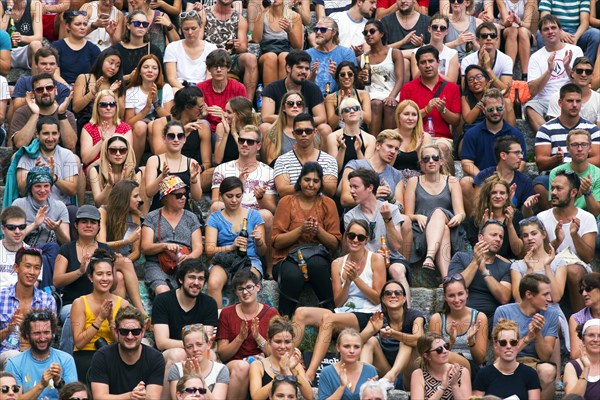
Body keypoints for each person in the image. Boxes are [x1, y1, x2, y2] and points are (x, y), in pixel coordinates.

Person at [294, 219, 385, 381]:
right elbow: (338, 303)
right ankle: (286, 359)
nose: (355, 240)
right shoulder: (337, 263)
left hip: (368, 313)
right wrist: (348, 282)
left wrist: (356, 278)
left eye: (360, 237)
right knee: (301, 312)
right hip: (344, 311)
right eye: (351, 236)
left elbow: (377, 297)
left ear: (367, 240)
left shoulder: (376, 259)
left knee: (329, 318)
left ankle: (310, 373)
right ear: (345, 237)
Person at [54, 205, 144, 352]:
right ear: (76, 225)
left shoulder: (106, 249)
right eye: (84, 221)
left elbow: (113, 285)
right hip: (73, 303)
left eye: (93, 222)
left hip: (102, 301)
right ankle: (67, 357)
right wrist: (80, 271)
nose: (89, 225)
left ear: (98, 227)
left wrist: (113, 270)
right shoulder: (66, 249)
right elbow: (57, 281)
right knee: (72, 314)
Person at [272, 161, 341, 315]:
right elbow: (276, 242)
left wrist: (318, 231)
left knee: (317, 265)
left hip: (317, 255)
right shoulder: (286, 202)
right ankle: (283, 321)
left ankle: (332, 314)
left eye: (316, 181)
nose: (311, 185)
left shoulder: (328, 203)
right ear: (300, 180)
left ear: (321, 183)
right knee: (292, 276)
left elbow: (335, 244)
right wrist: (300, 230)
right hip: (286, 257)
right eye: (307, 180)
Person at [343, 168, 411, 297]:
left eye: (355, 187)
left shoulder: (391, 209)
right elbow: (353, 249)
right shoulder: (350, 216)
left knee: (397, 270)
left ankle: (406, 312)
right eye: (350, 187)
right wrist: (374, 256)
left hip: (392, 259)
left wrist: (387, 219)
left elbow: (396, 246)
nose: (351, 191)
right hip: (365, 261)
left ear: (369, 188)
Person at [537, 170, 597, 313]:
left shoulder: (587, 218)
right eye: (553, 188)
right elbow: (540, 254)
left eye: (559, 189)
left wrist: (574, 235)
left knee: (573, 270)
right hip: (548, 264)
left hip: (577, 266)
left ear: (573, 192)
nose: (553, 192)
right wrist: (557, 241)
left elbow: (588, 257)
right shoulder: (542, 217)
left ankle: (579, 323)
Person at [533, 84, 600, 210]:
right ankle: (554, 217)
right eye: (570, 101)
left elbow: (598, 159)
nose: (574, 105)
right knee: (539, 183)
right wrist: (556, 160)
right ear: (560, 102)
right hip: (556, 174)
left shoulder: (593, 129)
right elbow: (540, 162)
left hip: (584, 172)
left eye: (578, 101)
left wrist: (573, 163)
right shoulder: (546, 129)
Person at [494, 274, 559, 400]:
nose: (550, 299)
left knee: (548, 370)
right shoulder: (504, 312)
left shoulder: (551, 314)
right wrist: (528, 338)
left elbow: (545, 356)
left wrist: (538, 332)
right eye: (545, 294)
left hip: (535, 362)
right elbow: (499, 354)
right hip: (508, 361)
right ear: (529, 294)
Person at [216, 269, 279, 400]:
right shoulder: (227, 313)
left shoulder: (271, 313)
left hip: (263, 362)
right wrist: (240, 337)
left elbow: (275, 353)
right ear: (236, 292)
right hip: (235, 364)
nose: (245, 292)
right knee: (242, 366)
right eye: (240, 289)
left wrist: (257, 337)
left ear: (258, 287)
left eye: (249, 287)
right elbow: (222, 354)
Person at [404, 144, 466, 277]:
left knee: (439, 213)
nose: (431, 161)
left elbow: (461, 212)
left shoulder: (452, 181)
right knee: (443, 229)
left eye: (435, 158)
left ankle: (429, 257)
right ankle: (446, 278)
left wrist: (459, 217)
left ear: (441, 161)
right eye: (426, 159)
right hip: (423, 230)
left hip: (450, 226)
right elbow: (407, 214)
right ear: (421, 164)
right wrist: (416, 217)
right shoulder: (413, 181)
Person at [70, 248, 130, 381]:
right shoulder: (79, 303)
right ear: (91, 277)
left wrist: (111, 322)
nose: (105, 278)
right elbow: (79, 343)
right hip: (86, 354)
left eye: (109, 274)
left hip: (114, 353)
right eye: (100, 274)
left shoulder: (123, 304)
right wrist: (100, 319)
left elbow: (125, 341)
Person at [206, 177, 266, 308]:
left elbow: (262, 252)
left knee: (246, 283)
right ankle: (217, 323)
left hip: (250, 259)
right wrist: (231, 246)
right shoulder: (215, 218)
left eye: (238, 196)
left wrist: (259, 241)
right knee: (213, 283)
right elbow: (209, 250)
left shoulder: (254, 215)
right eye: (229, 196)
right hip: (224, 259)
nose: (234, 200)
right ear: (221, 196)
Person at [399, 45, 461, 173]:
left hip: (441, 138)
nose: (427, 65)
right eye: (423, 62)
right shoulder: (408, 88)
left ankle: (449, 184)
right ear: (417, 65)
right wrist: (426, 110)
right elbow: (401, 119)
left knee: (441, 148)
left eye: (431, 61)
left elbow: (456, 121)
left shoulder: (452, 88)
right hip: (415, 136)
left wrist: (443, 110)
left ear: (438, 62)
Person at [141, 175, 203, 294]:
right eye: (178, 195)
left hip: (184, 263)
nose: (183, 198)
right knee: (162, 291)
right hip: (158, 264)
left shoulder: (191, 217)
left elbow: (198, 247)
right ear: (166, 197)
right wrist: (164, 246)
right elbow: (145, 247)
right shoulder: (152, 217)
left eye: (185, 194)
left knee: (189, 288)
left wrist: (189, 257)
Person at [359, 280, 425, 389]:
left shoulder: (415, 316)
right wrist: (372, 331)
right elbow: (356, 342)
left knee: (406, 342)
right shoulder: (379, 318)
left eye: (398, 293)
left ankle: (390, 378)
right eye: (388, 293)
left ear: (404, 298)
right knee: (370, 341)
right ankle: (363, 383)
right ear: (383, 300)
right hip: (385, 372)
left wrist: (394, 334)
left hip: (409, 375)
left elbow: (420, 340)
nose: (393, 295)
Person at [89, 305, 165, 399]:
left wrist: (138, 396)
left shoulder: (155, 358)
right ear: (116, 332)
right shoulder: (102, 356)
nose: (130, 336)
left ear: (142, 332)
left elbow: (153, 398)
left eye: (135, 331)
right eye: (124, 331)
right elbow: (99, 398)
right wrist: (130, 396)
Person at [526, 15, 583, 133]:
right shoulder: (535, 57)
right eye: (546, 29)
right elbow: (532, 91)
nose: (550, 31)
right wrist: (549, 71)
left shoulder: (575, 50)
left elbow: (581, 84)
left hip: (568, 97)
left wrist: (567, 67)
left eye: (553, 28)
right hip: (544, 100)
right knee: (530, 108)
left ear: (560, 31)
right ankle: (550, 137)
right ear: (541, 34)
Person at [260, 50, 331, 145]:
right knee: (264, 127)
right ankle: (270, 160)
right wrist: (289, 121)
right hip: (281, 129)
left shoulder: (313, 88)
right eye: (300, 67)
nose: (304, 72)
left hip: (306, 130)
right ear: (288, 68)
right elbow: (266, 116)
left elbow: (321, 118)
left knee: (325, 128)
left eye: (306, 68)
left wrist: (300, 122)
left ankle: (323, 159)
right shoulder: (272, 88)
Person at [447, 220, 512, 322]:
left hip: (492, 319)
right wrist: (475, 262)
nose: (498, 239)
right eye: (494, 235)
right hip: (463, 315)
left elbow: (504, 298)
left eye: (501, 237)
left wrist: (484, 271)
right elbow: (455, 287)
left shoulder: (506, 266)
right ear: (480, 237)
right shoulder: (460, 257)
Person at [0, 248, 56, 366]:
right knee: (14, 357)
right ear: (16, 268)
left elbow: (52, 337)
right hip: (6, 354)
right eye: (27, 266)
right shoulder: (1, 297)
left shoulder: (47, 300)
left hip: (38, 354)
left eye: (36, 268)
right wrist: (8, 329)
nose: (32, 272)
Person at [6, 309, 77, 400]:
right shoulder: (14, 363)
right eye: (37, 333)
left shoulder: (66, 359)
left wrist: (59, 382)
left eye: (46, 332)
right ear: (27, 335)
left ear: (53, 333)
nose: (42, 338)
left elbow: (75, 397)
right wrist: (41, 385)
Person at [150, 87, 212, 189]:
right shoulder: (160, 123)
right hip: (166, 172)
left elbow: (207, 163)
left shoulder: (202, 127)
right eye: (200, 107)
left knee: (217, 171)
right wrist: (182, 134)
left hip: (191, 173)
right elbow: (158, 152)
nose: (203, 109)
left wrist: (197, 169)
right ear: (187, 107)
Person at [429, 275, 488, 377]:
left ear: (467, 293)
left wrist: (471, 342)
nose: (457, 300)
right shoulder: (437, 319)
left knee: (447, 356)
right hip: (443, 367)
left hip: (472, 369)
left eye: (460, 294)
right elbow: (435, 354)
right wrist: (451, 342)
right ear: (445, 297)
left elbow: (480, 360)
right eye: (451, 295)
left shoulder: (479, 317)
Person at [16, 116, 79, 210]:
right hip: (33, 208)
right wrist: (34, 174)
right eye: (46, 134)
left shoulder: (67, 155)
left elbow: (72, 190)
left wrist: (53, 177)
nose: (50, 138)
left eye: (54, 133)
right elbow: (21, 190)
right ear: (37, 134)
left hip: (60, 208)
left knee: (73, 211)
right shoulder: (27, 155)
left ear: (59, 134)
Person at [460, 88, 526, 177]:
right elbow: (466, 162)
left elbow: (521, 162)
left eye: (498, 108)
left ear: (503, 108)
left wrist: (504, 178)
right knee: (465, 183)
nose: (495, 112)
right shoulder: (472, 134)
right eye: (490, 109)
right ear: (483, 110)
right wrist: (481, 176)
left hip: (506, 180)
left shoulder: (515, 134)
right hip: (481, 180)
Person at [200, 0, 258, 100]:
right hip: (208, 56)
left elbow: (243, 47)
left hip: (230, 58)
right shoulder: (203, 14)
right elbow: (198, 41)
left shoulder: (239, 19)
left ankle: (247, 104)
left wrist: (235, 45)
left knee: (250, 58)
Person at [462, 136, 534, 218]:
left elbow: (527, 218)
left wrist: (527, 208)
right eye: (517, 153)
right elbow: (478, 208)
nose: (521, 156)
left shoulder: (525, 181)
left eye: (521, 153)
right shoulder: (484, 176)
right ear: (503, 155)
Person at [472, 318, 542, 399]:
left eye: (513, 342)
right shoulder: (483, 374)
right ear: (495, 345)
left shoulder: (530, 374)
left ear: (518, 344)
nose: (508, 346)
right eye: (503, 342)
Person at [145, 120, 203, 212]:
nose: (176, 139)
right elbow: (149, 193)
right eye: (171, 136)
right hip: (159, 213)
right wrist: (162, 176)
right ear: (164, 139)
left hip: (184, 213)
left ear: (184, 139)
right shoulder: (154, 160)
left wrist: (193, 180)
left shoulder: (191, 162)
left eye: (180, 136)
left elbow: (197, 197)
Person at [273, 114, 338, 197]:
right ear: (293, 134)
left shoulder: (329, 160)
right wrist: (313, 183)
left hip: (320, 207)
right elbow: (282, 191)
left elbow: (331, 190)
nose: (304, 134)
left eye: (308, 131)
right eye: (299, 131)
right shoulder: (282, 160)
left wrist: (302, 185)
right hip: (293, 208)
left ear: (315, 132)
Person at [12, 165, 70, 258]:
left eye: (46, 186)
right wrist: (35, 225)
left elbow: (66, 242)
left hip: (49, 254)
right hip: (23, 252)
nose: (42, 190)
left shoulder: (60, 207)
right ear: (30, 188)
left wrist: (56, 229)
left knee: (53, 247)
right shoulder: (19, 204)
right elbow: (12, 237)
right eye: (38, 186)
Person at [125, 54, 173, 164]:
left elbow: (170, 120)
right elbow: (128, 123)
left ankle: (160, 165)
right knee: (140, 125)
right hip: (138, 132)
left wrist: (156, 103)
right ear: (139, 71)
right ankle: (134, 166)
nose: (150, 71)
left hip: (159, 130)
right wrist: (146, 108)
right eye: (146, 67)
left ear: (159, 72)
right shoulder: (132, 91)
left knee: (153, 125)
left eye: (154, 68)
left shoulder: (165, 89)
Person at [248, 316, 312, 400]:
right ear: (269, 342)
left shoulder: (296, 365)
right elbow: (256, 397)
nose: (283, 346)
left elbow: (309, 396)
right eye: (278, 342)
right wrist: (280, 375)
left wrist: (293, 369)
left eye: (287, 342)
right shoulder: (258, 365)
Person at [359, 19, 404, 136]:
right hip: (371, 94)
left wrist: (392, 96)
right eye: (365, 33)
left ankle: (388, 140)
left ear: (381, 33)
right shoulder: (362, 58)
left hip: (391, 91)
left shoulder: (394, 53)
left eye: (372, 31)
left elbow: (400, 79)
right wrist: (360, 78)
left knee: (389, 105)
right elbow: (361, 85)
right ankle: (373, 142)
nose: (368, 34)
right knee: (376, 104)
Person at [9, 73, 76, 152]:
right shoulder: (21, 113)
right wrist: (35, 114)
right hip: (29, 158)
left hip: (57, 159)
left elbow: (71, 145)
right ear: (33, 93)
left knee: (75, 159)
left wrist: (61, 115)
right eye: (39, 90)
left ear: (56, 90)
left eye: (49, 88)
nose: (45, 92)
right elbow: (20, 144)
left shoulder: (67, 114)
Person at [339, 129, 404, 209]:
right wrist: (371, 195)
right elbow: (345, 200)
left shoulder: (397, 175)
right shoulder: (354, 166)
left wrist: (391, 198)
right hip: (357, 219)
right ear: (377, 145)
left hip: (384, 219)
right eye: (389, 146)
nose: (393, 151)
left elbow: (401, 209)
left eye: (396, 149)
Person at [466, 174, 524, 260]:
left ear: (507, 196)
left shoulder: (516, 215)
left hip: (511, 264)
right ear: (487, 195)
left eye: (502, 193)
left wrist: (510, 225)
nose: (498, 196)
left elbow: (518, 251)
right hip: (485, 261)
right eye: (494, 192)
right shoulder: (476, 218)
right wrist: (485, 229)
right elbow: (478, 251)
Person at [71, 47, 124, 136]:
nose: (113, 67)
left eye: (117, 65)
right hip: (87, 125)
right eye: (111, 63)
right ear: (101, 61)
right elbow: (76, 108)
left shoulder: (117, 84)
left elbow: (121, 113)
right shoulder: (84, 78)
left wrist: (112, 93)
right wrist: (93, 91)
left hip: (110, 126)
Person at [168, 324, 228, 400]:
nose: (195, 349)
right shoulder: (177, 368)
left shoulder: (220, 369)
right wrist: (186, 379)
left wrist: (201, 379)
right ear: (185, 348)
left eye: (199, 344)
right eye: (189, 346)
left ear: (209, 344)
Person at [10, 47, 71, 120]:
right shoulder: (24, 81)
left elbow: (62, 114)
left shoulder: (63, 89)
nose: (48, 67)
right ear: (36, 65)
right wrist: (35, 95)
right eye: (43, 63)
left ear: (56, 66)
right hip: (26, 120)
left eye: (52, 64)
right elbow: (16, 106)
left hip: (52, 125)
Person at [317, 328, 378, 400]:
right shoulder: (327, 373)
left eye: (356, 347)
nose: (352, 351)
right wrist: (342, 387)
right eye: (347, 346)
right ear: (338, 347)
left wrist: (373, 393)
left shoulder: (370, 371)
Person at [253, 0, 303, 86]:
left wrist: (289, 31)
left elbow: (297, 46)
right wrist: (261, 13)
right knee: (271, 57)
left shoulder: (294, 16)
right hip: (266, 52)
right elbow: (256, 39)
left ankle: (283, 96)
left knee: (284, 56)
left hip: (286, 50)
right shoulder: (262, 14)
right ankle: (269, 96)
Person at [197, 49, 248, 134]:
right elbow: (192, 116)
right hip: (207, 131)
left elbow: (244, 117)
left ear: (228, 68)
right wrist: (202, 116)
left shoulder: (239, 87)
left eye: (222, 66)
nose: (219, 70)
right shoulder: (200, 88)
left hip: (232, 129)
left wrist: (225, 115)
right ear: (208, 69)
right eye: (215, 67)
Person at [80, 90, 133, 172]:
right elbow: (85, 160)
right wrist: (102, 141)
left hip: (120, 169)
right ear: (96, 107)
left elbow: (127, 157)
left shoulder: (125, 128)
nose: (108, 108)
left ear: (116, 107)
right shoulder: (88, 128)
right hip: (95, 170)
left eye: (112, 104)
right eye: (103, 105)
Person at [164, 11, 218, 90]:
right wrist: (186, 90)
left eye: (193, 28)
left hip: (203, 88)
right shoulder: (172, 47)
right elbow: (172, 78)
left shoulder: (211, 48)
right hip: (180, 87)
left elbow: (209, 78)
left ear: (200, 27)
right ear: (181, 29)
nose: (190, 32)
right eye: (186, 29)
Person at [410, 332, 472, 399]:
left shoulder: (461, 372)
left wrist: (454, 385)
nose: (445, 351)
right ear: (427, 356)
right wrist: (442, 388)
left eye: (446, 346)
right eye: (439, 350)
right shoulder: (419, 374)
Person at [88, 135, 142, 210]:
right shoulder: (95, 171)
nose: (118, 154)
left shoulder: (136, 172)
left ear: (127, 152)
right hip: (104, 212)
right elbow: (98, 203)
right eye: (113, 150)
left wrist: (122, 185)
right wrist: (109, 185)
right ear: (107, 152)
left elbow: (131, 204)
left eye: (122, 150)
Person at [307, 17, 357, 96]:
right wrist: (312, 74)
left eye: (323, 29)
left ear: (333, 32)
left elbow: (352, 85)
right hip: (313, 100)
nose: (318, 32)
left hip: (339, 98)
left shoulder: (347, 53)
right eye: (316, 29)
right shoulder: (307, 54)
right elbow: (302, 86)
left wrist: (336, 76)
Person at [97, 180, 144, 262]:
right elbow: (101, 245)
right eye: (135, 196)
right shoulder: (103, 212)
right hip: (105, 258)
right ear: (124, 198)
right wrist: (126, 241)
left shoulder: (135, 216)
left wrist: (123, 261)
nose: (140, 199)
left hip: (125, 260)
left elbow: (136, 252)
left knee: (120, 275)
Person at [51, 10, 101, 85]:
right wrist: (68, 88)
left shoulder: (93, 49)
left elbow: (95, 76)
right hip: (62, 88)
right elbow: (54, 74)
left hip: (85, 89)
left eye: (85, 24)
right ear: (68, 26)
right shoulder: (57, 46)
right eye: (78, 24)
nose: (82, 27)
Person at [460, 22, 513, 93]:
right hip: (475, 96)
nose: (489, 38)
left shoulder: (506, 60)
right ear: (478, 40)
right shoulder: (467, 60)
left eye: (492, 35)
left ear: (497, 39)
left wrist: (488, 70)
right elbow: (464, 90)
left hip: (497, 97)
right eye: (484, 36)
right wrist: (479, 66)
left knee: (508, 101)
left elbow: (506, 92)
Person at [327, 98, 376, 173]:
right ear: (341, 117)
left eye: (356, 108)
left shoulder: (370, 139)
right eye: (346, 110)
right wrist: (342, 149)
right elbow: (335, 169)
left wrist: (358, 151)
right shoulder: (333, 137)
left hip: (361, 179)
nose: (352, 111)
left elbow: (366, 171)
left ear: (361, 114)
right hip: (340, 178)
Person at [547, 57, 600, 125]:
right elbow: (555, 128)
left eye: (588, 72)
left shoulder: (598, 99)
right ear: (572, 73)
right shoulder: (557, 97)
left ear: (592, 76)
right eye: (579, 71)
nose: (583, 74)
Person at [409, 14, 459, 84]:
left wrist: (433, 71)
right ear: (429, 29)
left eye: (442, 28)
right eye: (435, 27)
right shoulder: (416, 52)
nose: (438, 30)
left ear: (446, 31)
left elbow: (452, 82)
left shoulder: (452, 53)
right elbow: (415, 79)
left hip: (444, 91)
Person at [112, 10, 163, 78]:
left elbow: (161, 77)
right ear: (128, 25)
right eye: (137, 23)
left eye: (145, 24)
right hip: (122, 87)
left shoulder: (154, 50)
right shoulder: (116, 49)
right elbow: (110, 78)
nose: (141, 26)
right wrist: (128, 77)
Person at [261, 91, 306, 167]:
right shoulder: (273, 132)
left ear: (303, 108)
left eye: (299, 104)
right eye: (290, 103)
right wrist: (293, 155)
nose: (295, 106)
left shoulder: (310, 131)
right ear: (283, 108)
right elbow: (271, 161)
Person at [324, 61, 372, 130]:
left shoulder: (363, 94)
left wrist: (352, 104)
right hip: (340, 134)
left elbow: (368, 120)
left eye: (350, 74)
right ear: (338, 77)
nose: (346, 77)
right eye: (342, 75)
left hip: (360, 131)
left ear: (354, 76)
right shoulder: (330, 97)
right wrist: (340, 106)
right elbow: (331, 125)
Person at [496, 0, 535, 80]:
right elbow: (505, 22)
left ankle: (525, 75)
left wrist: (519, 21)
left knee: (523, 31)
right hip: (506, 29)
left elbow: (527, 25)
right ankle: (508, 73)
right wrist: (510, 21)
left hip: (522, 28)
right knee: (513, 30)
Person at [0, 0, 43, 71]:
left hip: (25, 51)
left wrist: (21, 37)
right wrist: (9, 8)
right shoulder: (1, 5)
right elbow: (0, 34)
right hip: (4, 51)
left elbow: (39, 37)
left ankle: (38, 80)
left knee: (36, 44)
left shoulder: (35, 5)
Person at [214, 96, 257, 165]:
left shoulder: (252, 130)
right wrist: (226, 133)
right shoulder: (221, 127)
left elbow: (249, 157)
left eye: (229, 112)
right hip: (225, 168)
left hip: (246, 168)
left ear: (240, 115)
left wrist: (234, 133)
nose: (225, 115)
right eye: (225, 111)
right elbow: (217, 160)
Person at [394, 100, 431, 179]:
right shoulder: (390, 136)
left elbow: (427, 170)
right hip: (395, 180)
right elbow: (384, 168)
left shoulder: (425, 137)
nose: (410, 118)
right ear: (398, 116)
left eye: (414, 115)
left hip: (418, 180)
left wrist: (418, 152)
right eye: (406, 114)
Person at [564, 318, 600, 398]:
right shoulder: (572, 366)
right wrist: (586, 368)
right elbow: (572, 398)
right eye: (591, 335)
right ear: (583, 340)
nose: (596, 339)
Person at [569, 272, 600, 359]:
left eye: (588, 289)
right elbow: (575, 354)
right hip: (587, 366)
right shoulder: (576, 318)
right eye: (581, 290)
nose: (584, 294)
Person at [0, 207, 29, 289]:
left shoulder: (33, 254)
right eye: (11, 227)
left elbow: (31, 289)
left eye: (22, 227)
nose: (17, 231)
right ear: (3, 229)